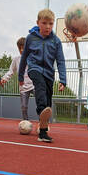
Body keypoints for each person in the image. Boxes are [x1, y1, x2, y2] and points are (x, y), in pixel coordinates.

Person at [18, 9, 66, 143]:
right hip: (34, 68)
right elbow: (24, 58)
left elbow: (61, 61)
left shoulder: (56, 41)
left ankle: (43, 133)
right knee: (40, 87)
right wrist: (20, 76)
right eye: (44, 23)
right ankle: (41, 110)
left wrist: (63, 79)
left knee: (48, 103)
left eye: (50, 23)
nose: (47, 26)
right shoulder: (31, 38)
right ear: (38, 23)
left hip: (49, 74)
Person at [1, 37, 34, 120]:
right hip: (23, 87)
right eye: (20, 48)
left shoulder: (34, 58)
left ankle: (43, 123)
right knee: (24, 107)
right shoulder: (16, 59)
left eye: (24, 47)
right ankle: (25, 122)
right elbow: (10, 71)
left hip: (34, 85)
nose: (22, 50)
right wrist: (5, 78)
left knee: (41, 103)